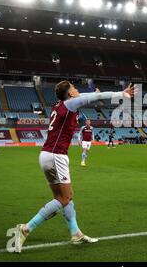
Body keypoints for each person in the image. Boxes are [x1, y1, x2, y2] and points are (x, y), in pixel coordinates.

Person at [12, 81, 137, 253]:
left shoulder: (62, 104)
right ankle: (25, 228)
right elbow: (95, 96)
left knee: (65, 197)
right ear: (70, 93)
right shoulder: (70, 103)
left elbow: (87, 97)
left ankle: (75, 233)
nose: (77, 90)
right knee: (64, 198)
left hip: (47, 154)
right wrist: (121, 94)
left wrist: (94, 96)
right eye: (74, 88)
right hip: (56, 155)